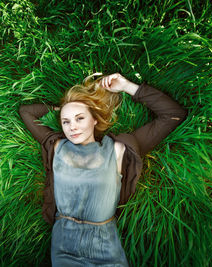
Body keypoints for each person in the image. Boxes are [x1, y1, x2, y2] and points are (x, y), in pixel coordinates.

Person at [18, 73, 186, 266]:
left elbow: (173, 114)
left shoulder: (117, 150)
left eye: (80, 118)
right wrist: (63, 108)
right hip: (64, 245)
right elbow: (26, 112)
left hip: (104, 246)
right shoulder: (56, 146)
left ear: (94, 120)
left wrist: (127, 86)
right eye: (66, 121)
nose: (72, 127)